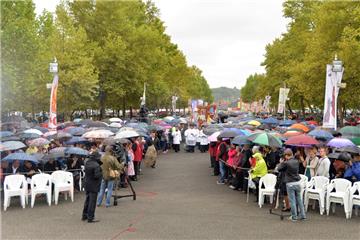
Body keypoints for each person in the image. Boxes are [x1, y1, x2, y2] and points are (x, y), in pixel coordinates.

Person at [276, 148, 307, 222]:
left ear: (286, 155)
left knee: (292, 200)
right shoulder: (296, 161)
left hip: (290, 183)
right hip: (297, 182)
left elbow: (279, 169)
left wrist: (281, 162)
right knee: (299, 200)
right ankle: (303, 215)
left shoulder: (286, 163)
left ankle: (294, 216)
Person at [82, 151, 102, 223]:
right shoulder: (96, 165)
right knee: (92, 202)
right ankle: (91, 217)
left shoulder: (87, 162)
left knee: (87, 200)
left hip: (87, 183)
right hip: (93, 185)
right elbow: (97, 176)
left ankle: (84, 215)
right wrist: (101, 172)